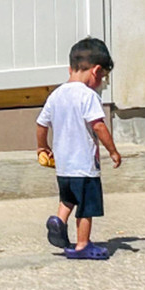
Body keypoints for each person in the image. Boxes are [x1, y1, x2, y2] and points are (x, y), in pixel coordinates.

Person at [35, 37, 121, 260]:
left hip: (63, 166)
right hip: (84, 166)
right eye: (102, 78)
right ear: (96, 71)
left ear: (70, 67)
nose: (101, 82)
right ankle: (83, 245)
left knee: (68, 198)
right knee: (86, 207)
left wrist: (42, 147)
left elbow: (41, 123)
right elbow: (99, 126)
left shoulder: (56, 95)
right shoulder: (88, 96)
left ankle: (58, 220)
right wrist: (112, 150)